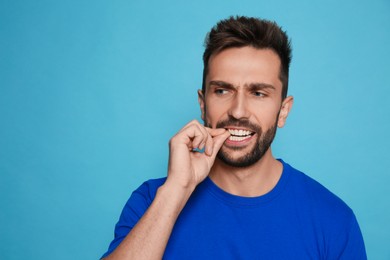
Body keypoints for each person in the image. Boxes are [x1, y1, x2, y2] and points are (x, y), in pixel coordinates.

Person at [102, 16, 366, 259]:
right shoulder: (153, 200)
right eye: (222, 91)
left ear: (283, 111)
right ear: (203, 104)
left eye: (258, 93)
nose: (238, 111)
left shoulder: (333, 221)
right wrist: (176, 190)